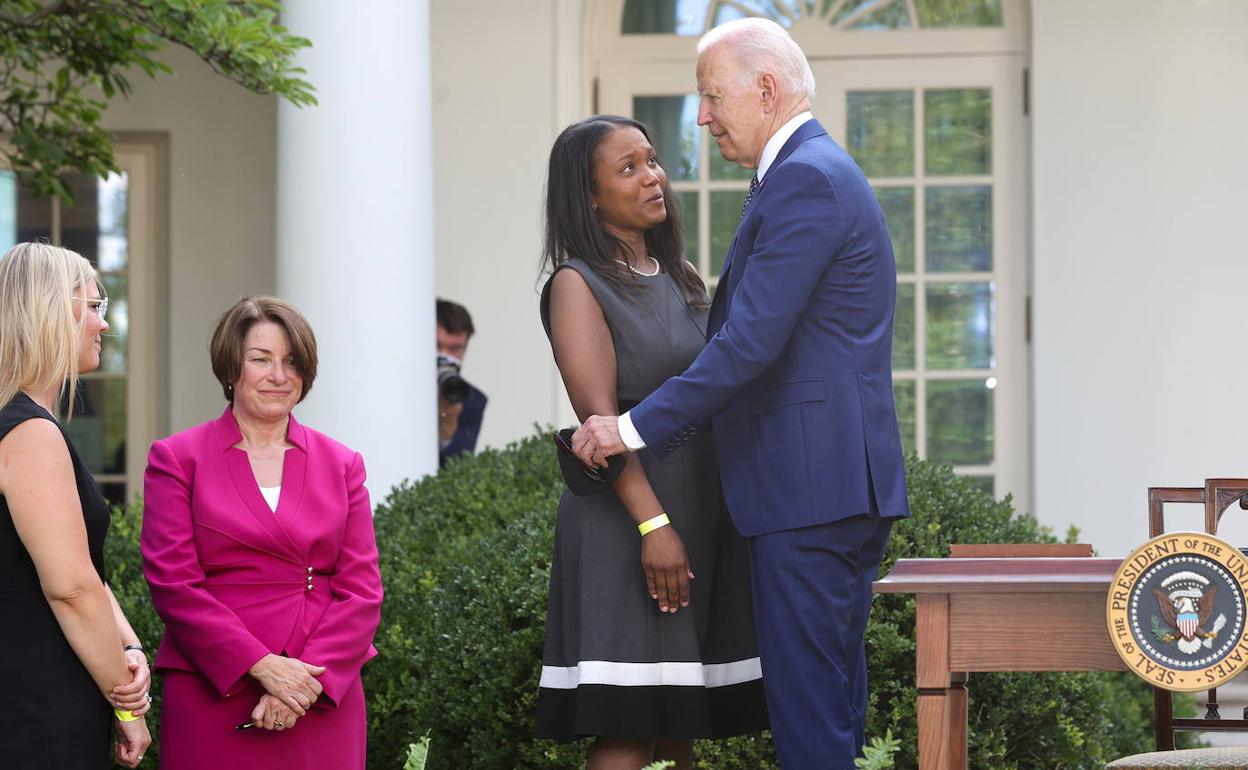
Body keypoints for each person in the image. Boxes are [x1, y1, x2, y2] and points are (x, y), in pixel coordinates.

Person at [571, 18, 910, 770]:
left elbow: (750, 345)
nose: (701, 116)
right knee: (828, 708)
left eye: (710, 96)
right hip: (825, 489)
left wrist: (627, 431)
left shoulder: (807, 180)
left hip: (807, 494)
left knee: (811, 722)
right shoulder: (808, 175)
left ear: (766, 89)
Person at [536, 115, 768, 769]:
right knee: (629, 725)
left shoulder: (680, 276)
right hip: (630, 519)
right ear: (587, 196)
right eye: (629, 167)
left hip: (698, 514)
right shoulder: (577, 285)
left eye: (653, 160)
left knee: (678, 723)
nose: (653, 176)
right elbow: (599, 425)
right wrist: (654, 527)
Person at [141, 296, 383, 769]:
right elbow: (174, 584)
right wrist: (263, 667)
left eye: (292, 362)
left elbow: (362, 591)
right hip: (216, 684)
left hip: (320, 688)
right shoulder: (177, 458)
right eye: (261, 359)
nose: (279, 375)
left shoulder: (342, 464)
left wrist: (301, 685)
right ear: (231, 367)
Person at [0, 242, 152, 768]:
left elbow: (83, 571)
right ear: (47, 314)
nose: (103, 325)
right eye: (92, 307)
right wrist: (128, 705)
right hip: (35, 705)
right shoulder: (28, 432)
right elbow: (69, 587)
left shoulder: (28, 424)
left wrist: (129, 649)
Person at [436, 298, 487, 466]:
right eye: (437, 345)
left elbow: (456, 472)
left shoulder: (472, 400)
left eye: (454, 349)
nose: (444, 356)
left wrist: (448, 426)